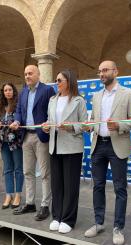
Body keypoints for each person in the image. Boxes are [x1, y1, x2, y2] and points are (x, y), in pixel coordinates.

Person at [84, 61, 131, 245]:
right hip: (98, 144)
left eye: (105, 70)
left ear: (116, 71)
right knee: (97, 186)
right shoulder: (96, 95)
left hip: (118, 145)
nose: (101, 74)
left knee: (120, 189)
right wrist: (89, 126)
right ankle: (99, 223)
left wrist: (119, 125)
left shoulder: (128, 93)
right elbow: (93, 119)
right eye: (99, 71)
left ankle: (118, 228)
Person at [42, 69, 87, 233]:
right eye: (56, 80)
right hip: (54, 147)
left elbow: (85, 125)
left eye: (60, 80)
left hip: (72, 148)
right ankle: (57, 216)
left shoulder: (78, 101)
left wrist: (70, 127)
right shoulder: (52, 100)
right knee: (57, 184)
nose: (57, 83)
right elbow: (49, 120)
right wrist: (46, 127)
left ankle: (68, 219)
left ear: (69, 81)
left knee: (70, 185)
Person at [10, 65, 55, 221]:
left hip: (41, 136)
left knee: (44, 173)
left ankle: (44, 205)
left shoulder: (47, 90)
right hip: (26, 136)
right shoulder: (23, 92)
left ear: (38, 74)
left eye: (30, 73)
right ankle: (30, 203)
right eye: (25, 74)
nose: (27, 76)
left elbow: (53, 110)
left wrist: (49, 123)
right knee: (28, 172)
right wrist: (16, 120)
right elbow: (19, 111)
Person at [0, 82, 23, 209]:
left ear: (14, 91)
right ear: (3, 93)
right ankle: (8, 194)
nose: (8, 92)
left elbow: (22, 120)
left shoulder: (18, 106)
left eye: (10, 89)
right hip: (3, 142)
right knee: (7, 169)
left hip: (16, 142)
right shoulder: (0, 107)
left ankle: (18, 195)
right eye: (5, 90)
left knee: (18, 169)